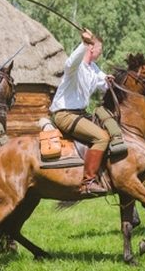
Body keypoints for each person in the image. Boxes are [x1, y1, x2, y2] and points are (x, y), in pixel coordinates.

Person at [49, 28, 125, 195]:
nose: (101, 52)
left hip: (79, 113)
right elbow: (69, 63)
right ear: (92, 48)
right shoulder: (76, 67)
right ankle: (88, 181)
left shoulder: (93, 68)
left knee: (108, 128)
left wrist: (109, 81)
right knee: (102, 138)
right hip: (65, 114)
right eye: (100, 48)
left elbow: (103, 83)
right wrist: (84, 43)